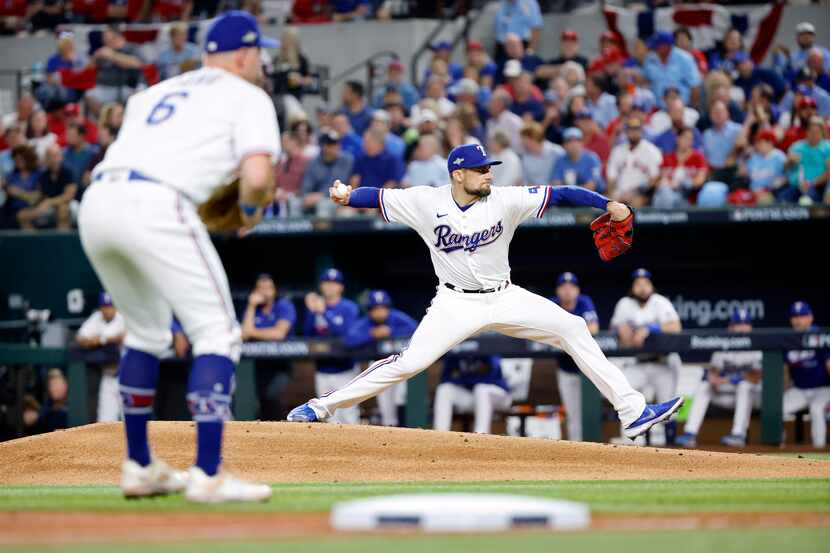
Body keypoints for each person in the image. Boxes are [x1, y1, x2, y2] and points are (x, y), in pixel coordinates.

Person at [287, 143, 684, 443]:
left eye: (489, 168)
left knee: (574, 327)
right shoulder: (426, 201)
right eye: (480, 170)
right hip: (455, 302)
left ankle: (632, 412)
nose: (488, 175)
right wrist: (346, 196)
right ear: (458, 174)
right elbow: (377, 197)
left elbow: (560, 193)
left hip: (504, 295)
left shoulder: (505, 199)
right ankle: (319, 407)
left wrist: (607, 203)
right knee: (409, 363)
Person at [77, 11, 279, 503]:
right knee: (219, 334)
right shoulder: (249, 96)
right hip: (159, 203)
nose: (262, 61)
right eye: (260, 53)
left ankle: (139, 464)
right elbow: (256, 177)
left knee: (145, 333)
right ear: (246, 53)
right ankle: (208, 474)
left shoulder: (155, 91)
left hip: (98, 201)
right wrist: (249, 212)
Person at [610, 269, 682, 446]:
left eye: (645, 284)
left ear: (651, 286)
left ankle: (671, 445)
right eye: (638, 284)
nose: (642, 288)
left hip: (662, 362)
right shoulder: (625, 304)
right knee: (624, 394)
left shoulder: (660, 302)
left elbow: (676, 327)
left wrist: (651, 329)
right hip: (637, 362)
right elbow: (616, 329)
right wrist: (623, 331)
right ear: (633, 287)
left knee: (668, 404)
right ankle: (628, 442)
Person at [677, 309, 762, 449]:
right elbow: (714, 370)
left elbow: (757, 376)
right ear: (730, 327)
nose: (742, 328)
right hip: (729, 395)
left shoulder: (757, 346)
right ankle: (690, 433)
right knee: (705, 386)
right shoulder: (724, 344)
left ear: (750, 327)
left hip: (754, 397)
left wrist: (729, 380)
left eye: (745, 324)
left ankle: (738, 435)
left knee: (745, 386)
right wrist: (713, 378)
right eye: (738, 324)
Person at [344, 290, 417, 426]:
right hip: (379, 364)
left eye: (383, 308)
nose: (380, 311)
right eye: (375, 308)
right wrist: (371, 334)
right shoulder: (366, 323)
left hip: (400, 361)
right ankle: (391, 432)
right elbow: (349, 339)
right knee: (386, 409)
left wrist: (392, 332)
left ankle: (406, 429)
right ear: (369, 310)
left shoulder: (396, 318)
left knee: (400, 397)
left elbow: (417, 329)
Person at [303, 268, 361, 424]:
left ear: (341, 287)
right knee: (328, 419)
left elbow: (347, 335)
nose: (330, 286)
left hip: (346, 370)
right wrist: (313, 311)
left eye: (334, 283)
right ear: (321, 286)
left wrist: (324, 314)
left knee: (349, 416)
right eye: (327, 283)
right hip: (322, 370)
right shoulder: (315, 308)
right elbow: (306, 336)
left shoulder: (349, 307)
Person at [550, 272, 599, 442]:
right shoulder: (552, 304)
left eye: (571, 287)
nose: (567, 291)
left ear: (577, 290)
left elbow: (594, 328)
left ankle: (594, 449)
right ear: (558, 291)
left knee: (591, 413)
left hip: (586, 369)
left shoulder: (584, 302)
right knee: (573, 415)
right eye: (563, 287)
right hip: (566, 369)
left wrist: (564, 335)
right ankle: (577, 450)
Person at [784, 301, 830, 449]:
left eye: (802, 316)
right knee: (777, 408)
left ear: (810, 317)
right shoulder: (788, 338)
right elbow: (784, 368)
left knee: (816, 409)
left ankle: (819, 451)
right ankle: (775, 448)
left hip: (823, 389)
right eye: (795, 316)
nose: (798, 320)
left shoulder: (821, 335)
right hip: (799, 389)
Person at [76, 292, 125, 423]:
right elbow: (80, 338)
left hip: (126, 377)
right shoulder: (96, 318)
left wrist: (101, 339)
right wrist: (104, 340)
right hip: (108, 376)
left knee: (130, 421)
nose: (107, 310)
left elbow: (122, 337)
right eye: (104, 306)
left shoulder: (122, 318)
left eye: (110, 306)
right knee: (105, 423)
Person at [433, 355, 512, 434]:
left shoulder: (487, 346)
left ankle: (481, 435)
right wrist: (466, 379)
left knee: (481, 388)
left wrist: (464, 379)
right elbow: (445, 378)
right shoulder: (458, 349)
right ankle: (440, 434)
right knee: (444, 389)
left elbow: (491, 376)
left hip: (500, 395)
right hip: (475, 397)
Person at [17, 144, 77, 230]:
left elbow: (68, 196)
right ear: (46, 158)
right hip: (49, 207)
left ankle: (61, 242)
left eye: (56, 155)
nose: (53, 159)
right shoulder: (43, 175)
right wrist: (20, 194)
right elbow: (40, 195)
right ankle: (34, 242)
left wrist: (49, 202)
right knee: (22, 215)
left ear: (61, 157)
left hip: (71, 205)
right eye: (50, 156)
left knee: (63, 209)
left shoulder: (68, 171)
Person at [607, 117, 662, 207]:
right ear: (626, 132)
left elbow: (655, 179)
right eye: (631, 130)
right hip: (619, 193)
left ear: (641, 131)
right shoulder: (618, 150)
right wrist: (612, 196)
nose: (633, 133)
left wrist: (637, 192)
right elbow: (611, 178)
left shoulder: (651, 151)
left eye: (636, 129)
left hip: (640, 194)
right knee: (607, 205)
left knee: (635, 204)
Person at [86, 26, 144, 109]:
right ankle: (105, 120)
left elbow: (137, 63)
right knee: (90, 95)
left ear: (116, 36)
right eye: (104, 38)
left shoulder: (131, 48)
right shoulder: (103, 50)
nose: (104, 40)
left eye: (107, 37)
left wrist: (112, 56)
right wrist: (94, 58)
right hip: (105, 87)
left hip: (128, 87)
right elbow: (88, 70)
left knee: (139, 94)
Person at [642, 32, 701, 109]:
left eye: (657, 47)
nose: (654, 49)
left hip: (682, 108)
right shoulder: (650, 58)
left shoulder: (685, 59)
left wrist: (690, 108)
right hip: (657, 109)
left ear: (666, 46)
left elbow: (695, 87)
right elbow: (646, 80)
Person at [301, 130, 353, 214]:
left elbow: (340, 185)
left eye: (337, 144)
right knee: (295, 203)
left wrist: (321, 195)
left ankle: (320, 227)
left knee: (323, 204)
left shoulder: (346, 160)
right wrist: (307, 196)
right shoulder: (313, 162)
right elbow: (306, 185)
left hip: (339, 199)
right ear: (324, 147)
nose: (336, 147)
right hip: (314, 198)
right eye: (332, 145)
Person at [656, 127, 707, 208]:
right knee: (664, 194)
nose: (688, 141)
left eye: (690, 139)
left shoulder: (698, 157)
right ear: (677, 138)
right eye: (685, 138)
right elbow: (660, 179)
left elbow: (700, 180)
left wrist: (682, 184)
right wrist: (667, 184)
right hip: (667, 193)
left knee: (666, 196)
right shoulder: (668, 157)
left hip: (687, 196)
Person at [786, 116, 830, 204]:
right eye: (811, 131)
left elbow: (829, 172)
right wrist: (790, 161)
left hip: (819, 185)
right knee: (782, 201)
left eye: (817, 132)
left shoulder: (827, 147)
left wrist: (811, 183)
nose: (814, 135)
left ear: (822, 132)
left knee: (807, 201)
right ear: (807, 132)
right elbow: (786, 167)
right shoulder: (797, 147)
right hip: (797, 185)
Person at [702, 101, 743, 186]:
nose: (718, 114)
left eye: (720, 111)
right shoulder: (706, 134)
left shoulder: (738, 130)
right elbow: (705, 157)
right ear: (710, 115)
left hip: (733, 173)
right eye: (715, 112)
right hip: (713, 174)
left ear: (727, 113)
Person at [551, 127, 603, 192]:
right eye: (569, 141)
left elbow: (591, 186)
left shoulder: (592, 158)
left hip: (596, 196)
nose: (573, 144)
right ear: (564, 145)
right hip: (569, 198)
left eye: (577, 140)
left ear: (582, 143)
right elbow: (556, 185)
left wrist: (569, 191)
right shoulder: (560, 160)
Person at [742, 128, 787, 202]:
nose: (757, 145)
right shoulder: (754, 157)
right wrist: (745, 157)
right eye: (757, 142)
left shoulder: (779, 157)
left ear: (770, 143)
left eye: (760, 142)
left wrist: (779, 183)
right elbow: (744, 174)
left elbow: (786, 177)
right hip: (753, 193)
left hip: (771, 193)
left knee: (764, 200)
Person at [519, 122, 563, 186]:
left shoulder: (558, 152)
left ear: (533, 138)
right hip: (534, 193)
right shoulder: (525, 157)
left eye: (524, 138)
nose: (522, 142)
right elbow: (525, 181)